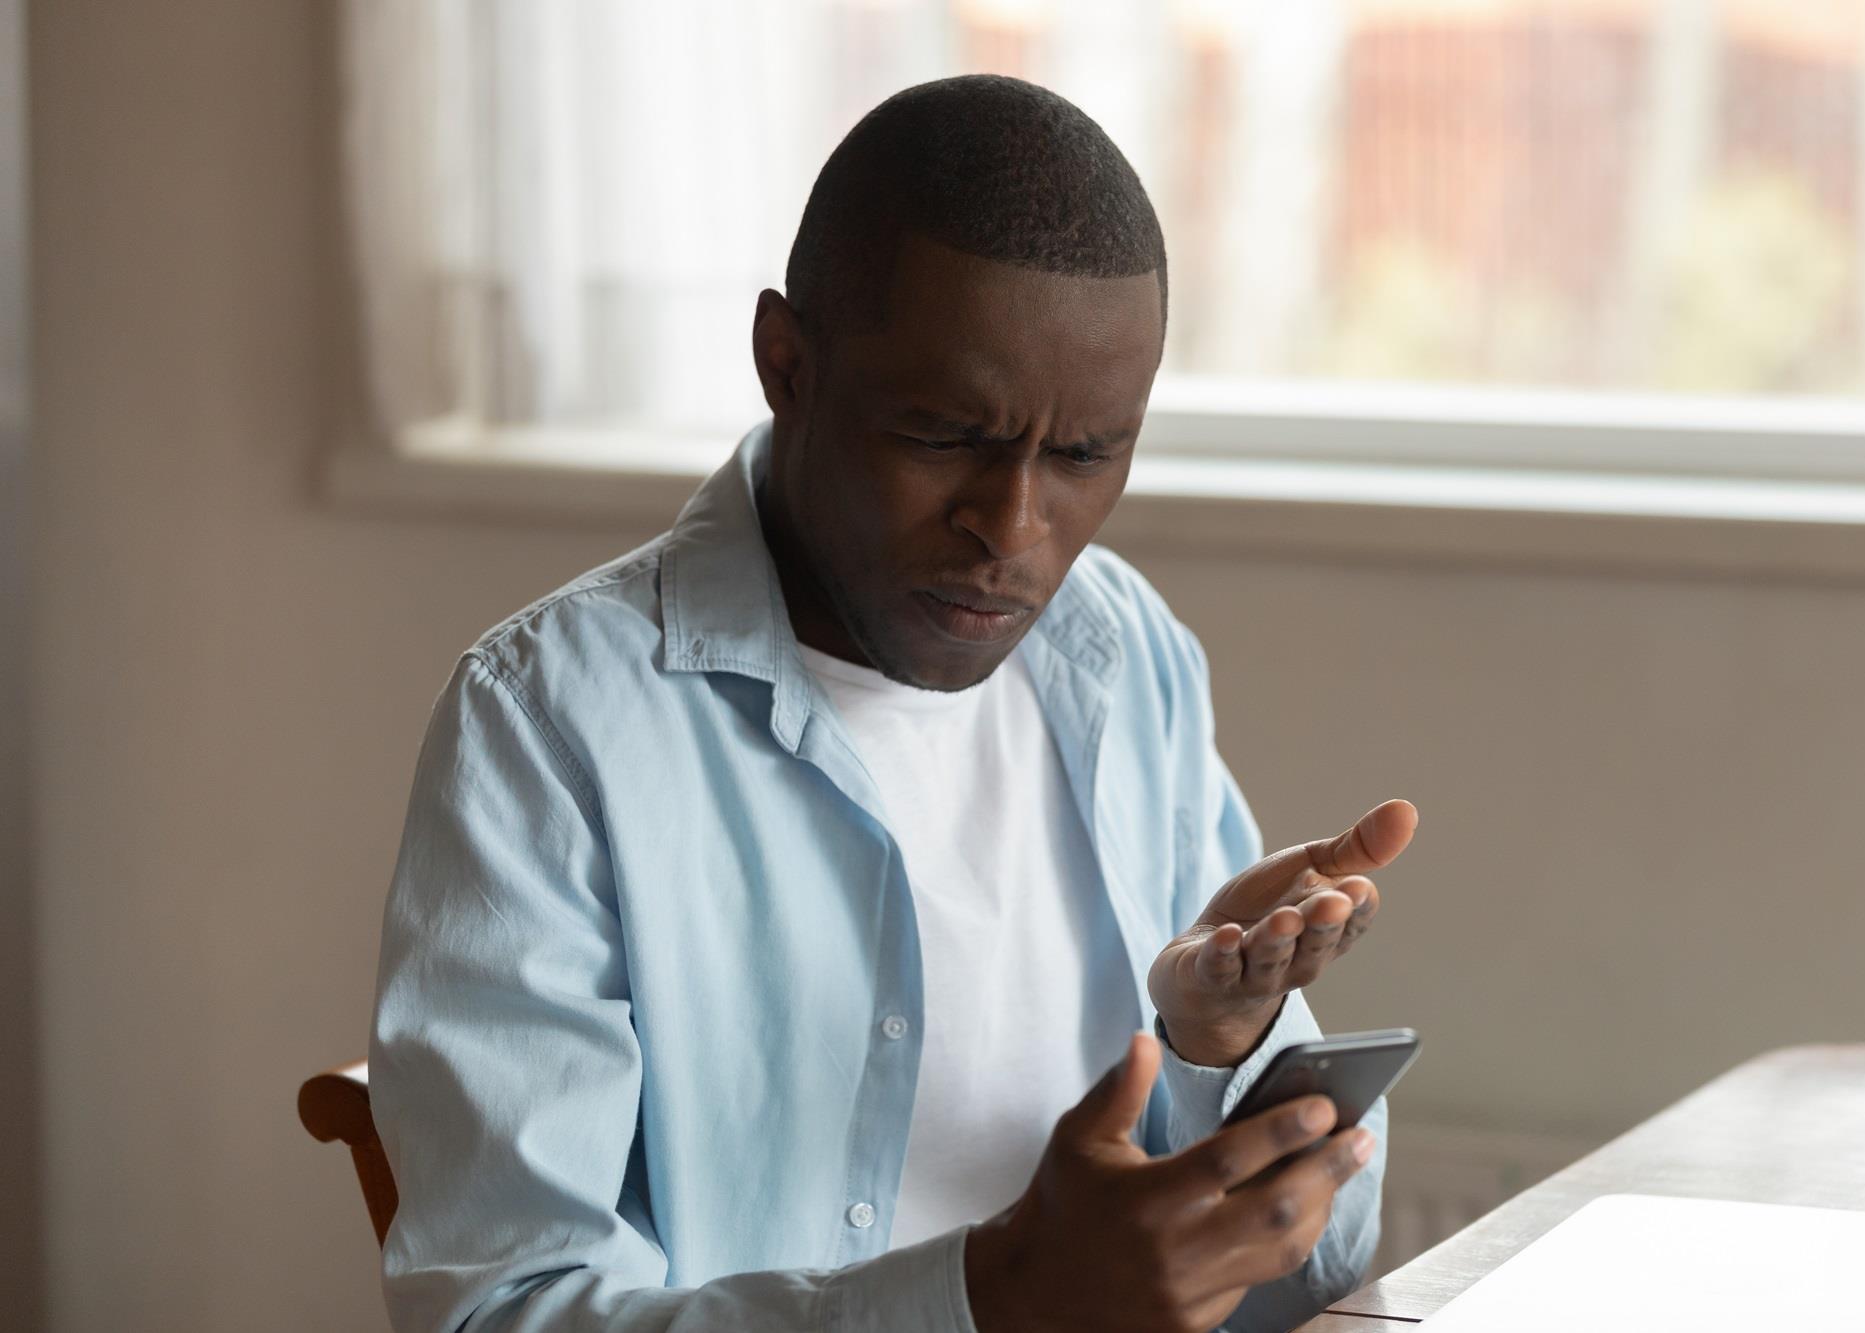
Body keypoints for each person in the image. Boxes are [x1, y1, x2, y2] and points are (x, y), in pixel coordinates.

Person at [371, 74, 1419, 1333]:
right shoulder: (552, 728)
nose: (1014, 528)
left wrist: (1221, 1045)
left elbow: (1312, 1281)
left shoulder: (1118, 649)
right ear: (785, 365)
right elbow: (500, 1315)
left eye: (1085, 455)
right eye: (941, 434)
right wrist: (989, 1301)